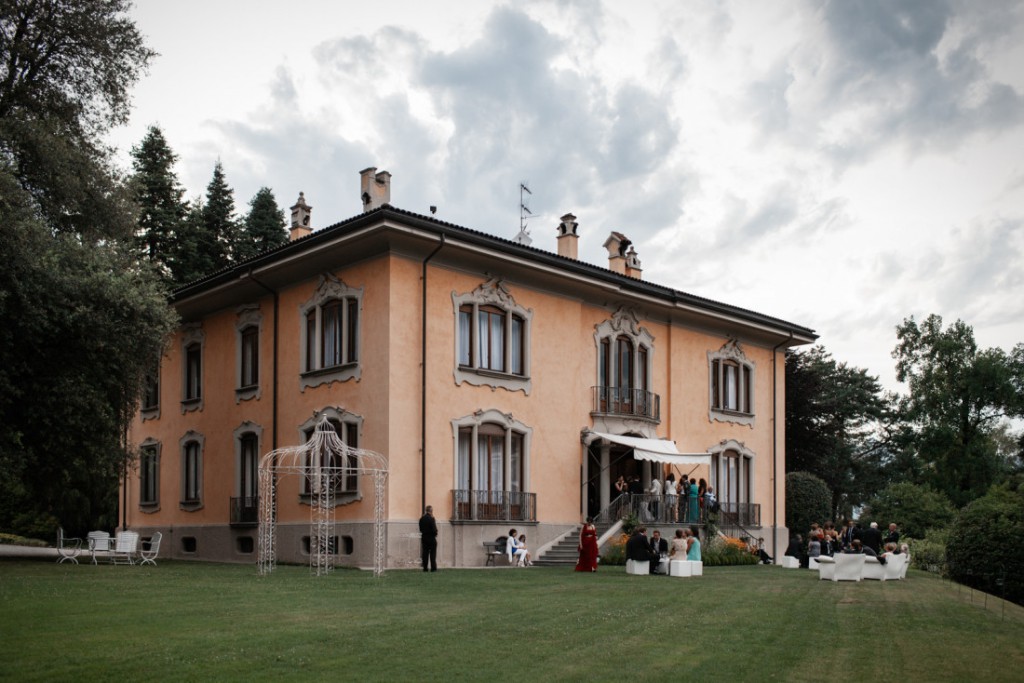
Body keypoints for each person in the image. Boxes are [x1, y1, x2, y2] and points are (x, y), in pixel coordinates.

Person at [419, 504, 438, 572]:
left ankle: (425, 568)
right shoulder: (431, 518)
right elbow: (434, 529)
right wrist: (435, 533)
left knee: (425, 553)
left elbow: (420, 529)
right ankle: (433, 568)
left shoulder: (421, 519)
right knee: (433, 553)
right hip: (431, 537)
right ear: (431, 511)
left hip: (424, 537)